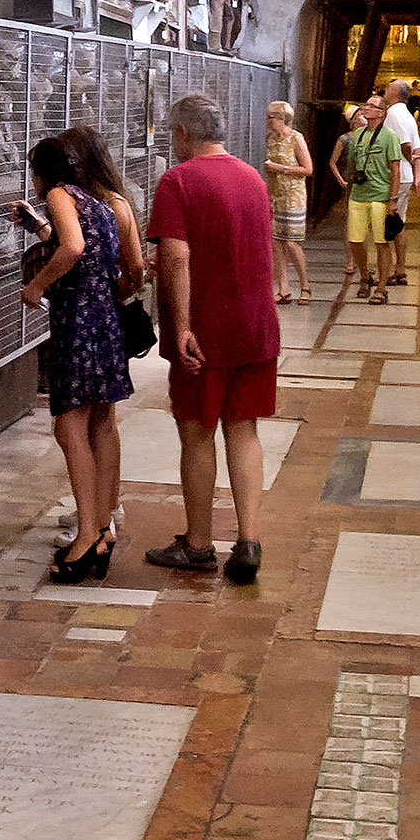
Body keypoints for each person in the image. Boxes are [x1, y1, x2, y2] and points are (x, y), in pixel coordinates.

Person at [143, 93, 280, 584]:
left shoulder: (178, 180)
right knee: (244, 430)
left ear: (182, 134)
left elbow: (177, 257)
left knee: (198, 432)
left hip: (206, 329)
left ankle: (199, 544)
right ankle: (249, 539)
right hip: (256, 324)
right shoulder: (252, 178)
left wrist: (179, 328)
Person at [15, 135, 131, 583]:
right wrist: (40, 231)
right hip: (104, 320)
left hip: (78, 322)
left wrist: (37, 285)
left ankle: (85, 537)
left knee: (69, 426)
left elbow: (73, 248)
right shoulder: (97, 201)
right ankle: (101, 529)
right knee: (101, 422)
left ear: (43, 172)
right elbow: (85, 247)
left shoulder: (60, 194)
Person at [331, 101, 400, 303]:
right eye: (365, 105)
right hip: (358, 195)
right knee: (355, 240)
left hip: (380, 195)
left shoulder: (389, 137)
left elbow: (395, 169)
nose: (365, 108)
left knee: (381, 242)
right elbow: (353, 165)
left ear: (381, 112)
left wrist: (393, 199)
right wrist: (348, 191)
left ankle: (381, 287)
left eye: (371, 105)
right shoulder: (358, 135)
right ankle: (364, 275)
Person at [262, 101, 315, 303]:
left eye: (271, 117)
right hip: (276, 195)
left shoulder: (296, 138)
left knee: (292, 242)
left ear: (282, 119)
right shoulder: (270, 138)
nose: (268, 121)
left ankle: (305, 285)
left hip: (294, 196)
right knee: (276, 241)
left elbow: (307, 169)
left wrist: (280, 168)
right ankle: (284, 289)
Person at [380, 80, 420, 286]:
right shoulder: (408, 115)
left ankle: (389, 271)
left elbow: (405, 144)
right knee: (399, 222)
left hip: (397, 175)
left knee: (388, 222)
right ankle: (400, 269)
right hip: (405, 175)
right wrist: (416, 173)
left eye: (388, 89)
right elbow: (417, 149)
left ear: (395, 92)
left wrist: (405, 161)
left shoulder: (394, 114)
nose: (385, 92)